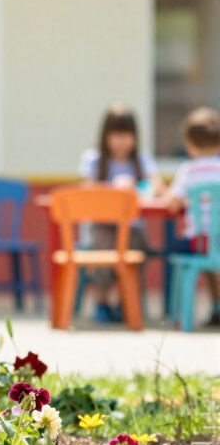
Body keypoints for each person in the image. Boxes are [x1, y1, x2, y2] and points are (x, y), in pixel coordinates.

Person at [77, 105, 161, 323]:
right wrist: (112, 188)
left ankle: (127, 302)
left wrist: (140, 187)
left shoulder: (142, 160)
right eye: (116, 134)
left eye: (127, 134)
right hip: (102, 225)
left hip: (133, 227)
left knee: (138, 250)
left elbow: (156, 187)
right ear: (105, 136)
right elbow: (86, 190)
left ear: (135, 137)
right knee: (103, 254)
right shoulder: (93, 160)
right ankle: (102, 301)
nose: (121, 140)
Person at [165, 106, 220, 328]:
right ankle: (217, 306)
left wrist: (165, 192)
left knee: (191, 253)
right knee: (213, 257)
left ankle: (179, 316)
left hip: (199, 242)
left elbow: (172, 203)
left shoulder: (188, 170)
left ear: (189, 145)